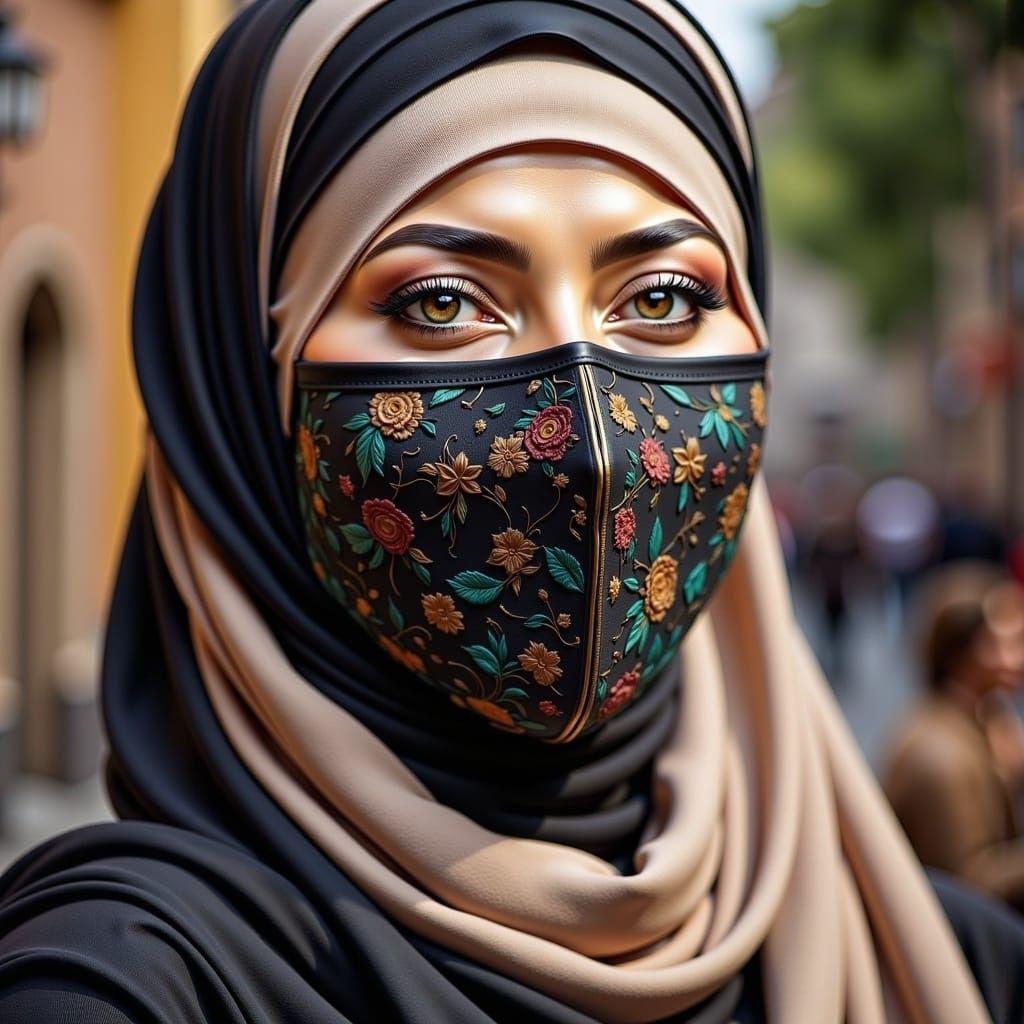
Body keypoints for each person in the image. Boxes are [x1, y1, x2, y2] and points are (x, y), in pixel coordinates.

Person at [0, 2, 1021, 1022]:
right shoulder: (119, 986)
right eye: (441, 301)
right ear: (236, 387)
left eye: (661, 297)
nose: (586, 446)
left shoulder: (950, 959)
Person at [884, 562, 1024, 911]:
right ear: (959, 653)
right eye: (1005, 643)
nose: (1018, 658)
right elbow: (967, 885)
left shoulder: (989, 719)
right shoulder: (939, 754)